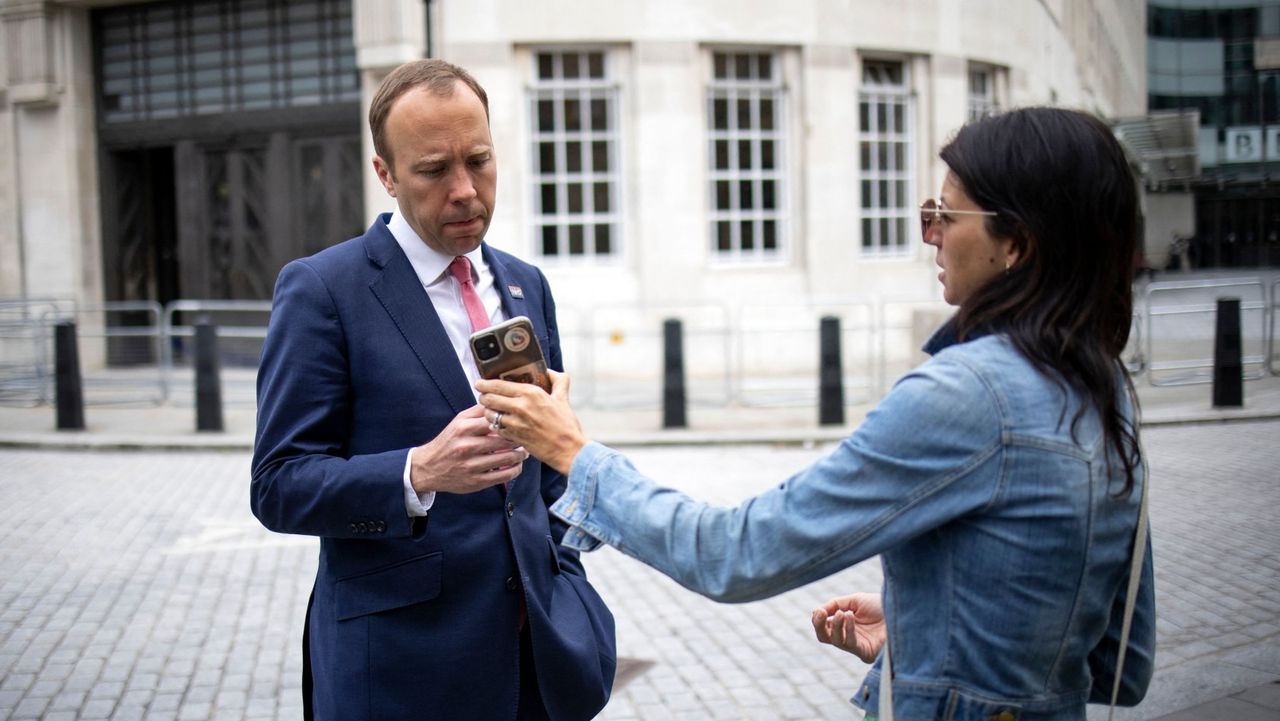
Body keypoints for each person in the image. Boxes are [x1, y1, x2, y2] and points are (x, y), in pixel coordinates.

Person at [477, 107, 1155, 720]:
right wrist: (926, 630)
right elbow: (1122, 662)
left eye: (946, 216)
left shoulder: (967, 395)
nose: (931, 237)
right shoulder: (1104, 386)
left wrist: (574, 454)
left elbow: (736, 552)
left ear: (1018, 244)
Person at [250, 58, 615, 721]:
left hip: (537, 661)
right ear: (385, 174)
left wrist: (565, 578)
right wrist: (418, 471)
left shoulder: (526, 284)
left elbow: (549, 476)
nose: (465, 190)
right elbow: (278, 484)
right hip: (401, 672)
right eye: (432, 170)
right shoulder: (324, 290)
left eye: (479, 160)